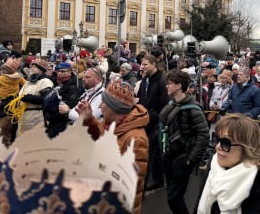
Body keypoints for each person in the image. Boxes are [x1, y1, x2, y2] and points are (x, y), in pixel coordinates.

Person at [76, 77, 149, 214]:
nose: (99, 106)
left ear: (116, 107)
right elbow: (100, 136)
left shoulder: (136, 139)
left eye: (104, 103)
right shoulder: (111, 124)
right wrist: (89, 120)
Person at [197, 113, 260, 214]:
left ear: (247, 148)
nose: (218, 147)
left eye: (225, 142)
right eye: (217, 139)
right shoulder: (214, 169)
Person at [159, 69, 209, 214]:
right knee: (174, 196)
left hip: (183, 158)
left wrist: (190, 159)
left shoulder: (193, 109)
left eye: (169, 84)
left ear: (179, 86)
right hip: (170, 156)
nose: (166, 86)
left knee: (174, 198)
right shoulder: (172, 104)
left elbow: (203, 135)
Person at [136, 54, 168, 191]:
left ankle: (146, 183)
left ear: (154, 64)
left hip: (155, 123)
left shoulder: (162, 81)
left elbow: (164, 105)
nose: (142, 67)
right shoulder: (145, 80)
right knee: (151, 154)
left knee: (150, 154)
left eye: (145, 64)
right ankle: (158, 179)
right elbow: (142, 99)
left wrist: (155, 117)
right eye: (142, 64)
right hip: (145, 121)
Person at [0, 57, 26, 146]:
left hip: (1, 98)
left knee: (3, 133)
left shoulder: (2, 78)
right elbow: (25, 84)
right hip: (13, 101)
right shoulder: (19, 77)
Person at [15, 59, 54, 135]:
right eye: (31, 66)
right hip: (24, 117)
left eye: (34, 67)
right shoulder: (28, 82)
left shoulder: (45, 81)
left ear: (41, 70)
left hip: (36, 117)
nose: (31, 68)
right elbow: (21, 95)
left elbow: (46, 99)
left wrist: (29, 98)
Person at [43, 62, 79, 138]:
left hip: (62, 124)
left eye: (63, 71)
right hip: (53, 122)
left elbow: (69, 106)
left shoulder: (72, 87)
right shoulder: (58, 84)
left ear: (70, 72)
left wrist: (51, 115)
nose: (59, 73)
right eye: (58, 71)